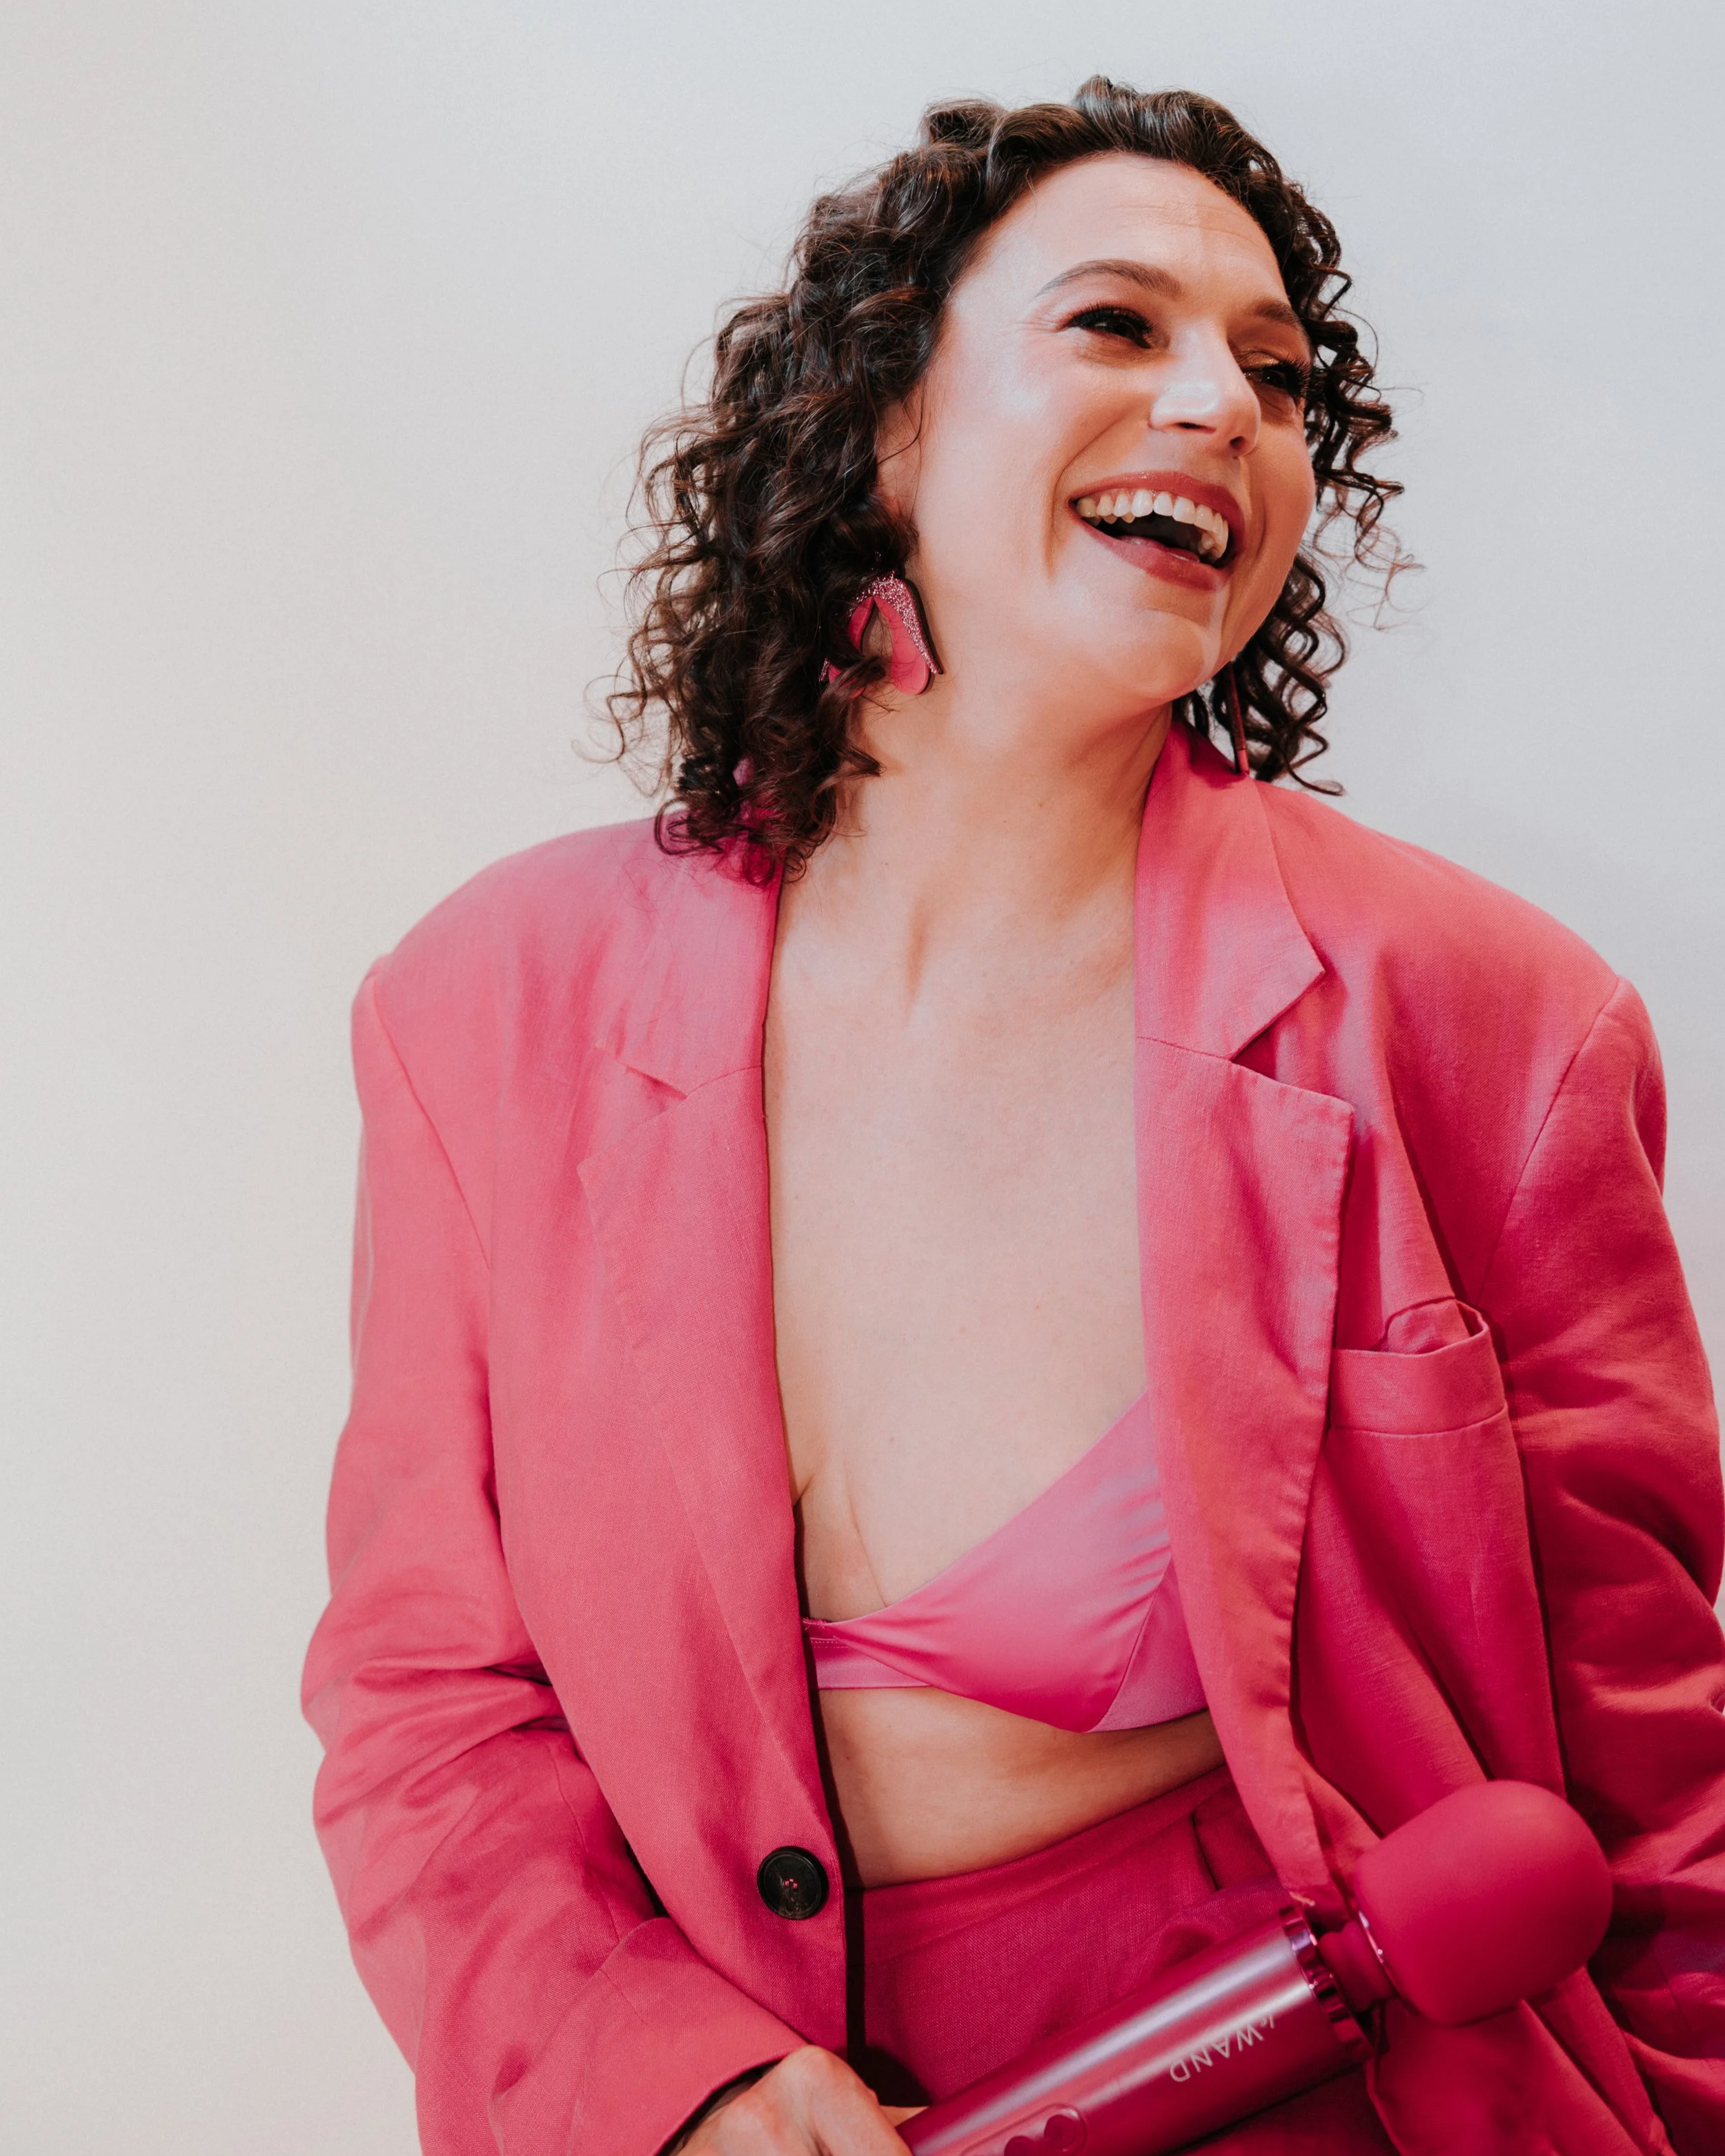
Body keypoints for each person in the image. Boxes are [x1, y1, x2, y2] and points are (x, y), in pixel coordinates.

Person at [302, 79, 1725, 2155]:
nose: (1224, 405)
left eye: (1275, 374)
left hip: (1321, 2083)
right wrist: (663, 2083)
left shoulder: (1486, 1018)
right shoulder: (481, 1006)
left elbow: (1657, 1771)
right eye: (1114, 325)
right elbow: (430, 1704)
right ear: (880, 421)